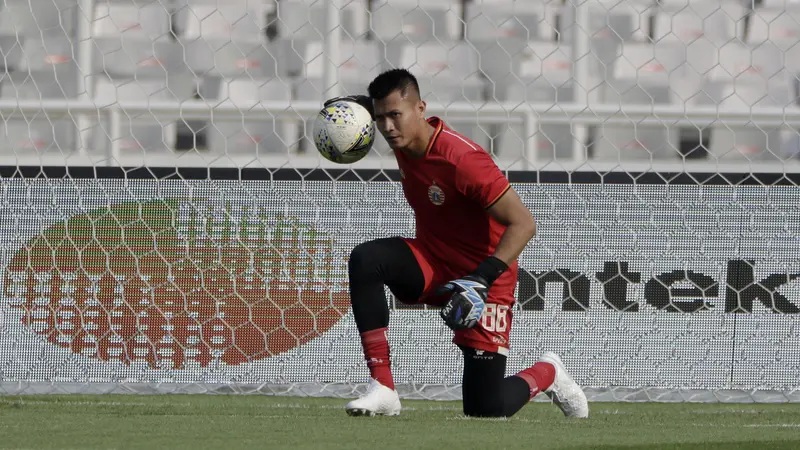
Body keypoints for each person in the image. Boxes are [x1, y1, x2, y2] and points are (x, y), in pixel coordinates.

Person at [326, 69, 589, 419]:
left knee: (485, 409)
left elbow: (524, 224)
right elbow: (384, 113)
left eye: (395, 116)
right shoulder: (403, 137)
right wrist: (356, 111)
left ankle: (548, 373)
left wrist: (481, 280)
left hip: (485, 278)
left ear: (421, 108)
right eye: (380, 118)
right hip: (433, 261)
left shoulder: (462, 160)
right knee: (366, 260)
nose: (387, 127)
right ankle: (384, 387)